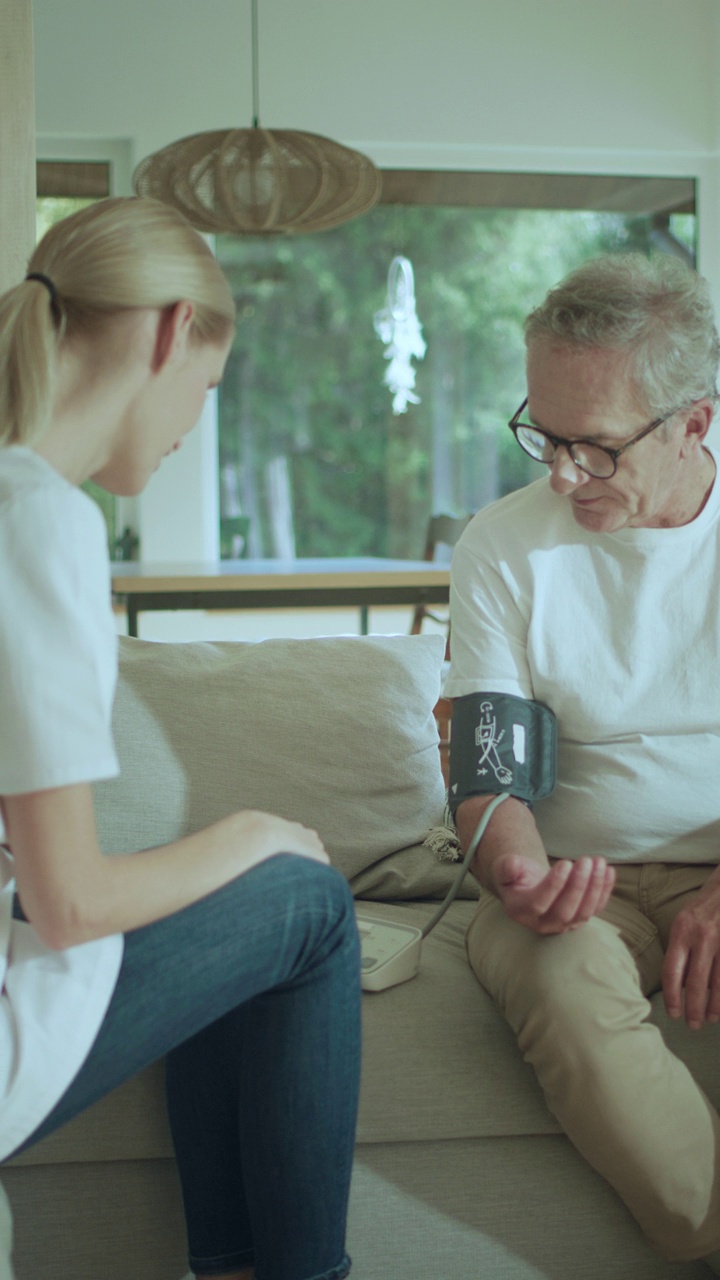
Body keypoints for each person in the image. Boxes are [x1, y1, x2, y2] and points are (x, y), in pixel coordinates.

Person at [0, 196, 361, 1280]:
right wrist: (255, 829)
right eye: (202, 389)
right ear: (167, 331)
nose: (190, 424)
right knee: (309, 903)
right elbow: (72, 903)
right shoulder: (40, 517)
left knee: (231, 890)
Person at [445, 252, 720, 1272]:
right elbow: (487, 766)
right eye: (544, 437)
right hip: (574, 882)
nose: (560, 476)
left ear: (695, 421)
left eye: (594, 448)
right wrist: (515, 870)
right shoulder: (503, 545)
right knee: (556, 976)